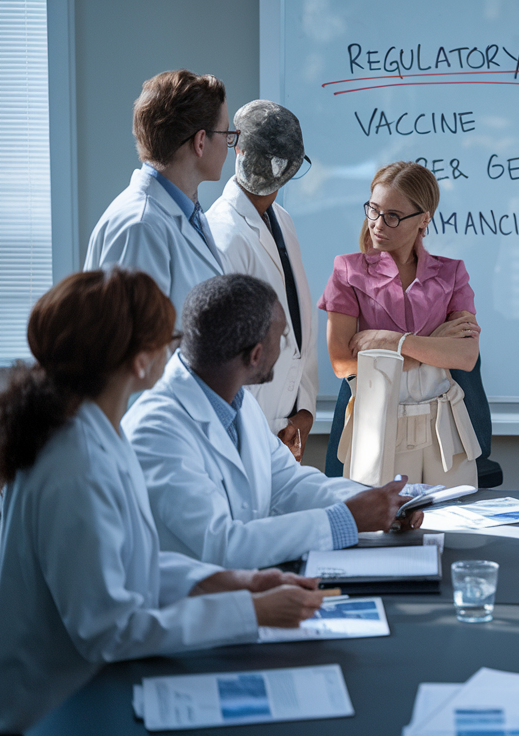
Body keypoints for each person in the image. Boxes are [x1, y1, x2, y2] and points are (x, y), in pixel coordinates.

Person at [0, 270, 328, 733]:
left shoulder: (96, 430)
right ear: (139, 361)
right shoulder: (77, 464)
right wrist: (252, 612)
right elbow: (109, 629)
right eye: (167, 339)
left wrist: (233, 582)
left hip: (94, 679)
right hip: (57, 704)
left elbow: (127, 562)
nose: (176, 350)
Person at [123, 275, 422, 570]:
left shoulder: (238, 403)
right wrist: (344, 520)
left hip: (247, 588)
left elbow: (288, 483)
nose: (285, 347)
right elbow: (223, 545)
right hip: (192, 598)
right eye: (282, 337)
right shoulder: (156, 432)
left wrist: (381, 502)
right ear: (256, 355)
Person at [319, 162, 482, 487]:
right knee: (379, 518)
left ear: (424, 219)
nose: (378, 224)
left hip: (444, 429)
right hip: (377, 426)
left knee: (453, 516)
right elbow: (342, 363)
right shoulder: (348, 271)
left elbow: (465, 356)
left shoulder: (451, 273)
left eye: (392, 216)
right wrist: (431, 348)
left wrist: (393, 341)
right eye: (373, 210)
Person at [208, 100, 316, 460]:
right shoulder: (223, 235)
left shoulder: (282, 220)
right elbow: (224, 355)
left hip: (287, 428)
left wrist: (305, 412)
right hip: (245, 432)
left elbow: (301, 327)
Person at [84, 70, 233, 321]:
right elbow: (135, 340)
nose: (229, 142)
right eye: (226, 133)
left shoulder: (187, 215)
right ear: (200, 142)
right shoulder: (140, 227)